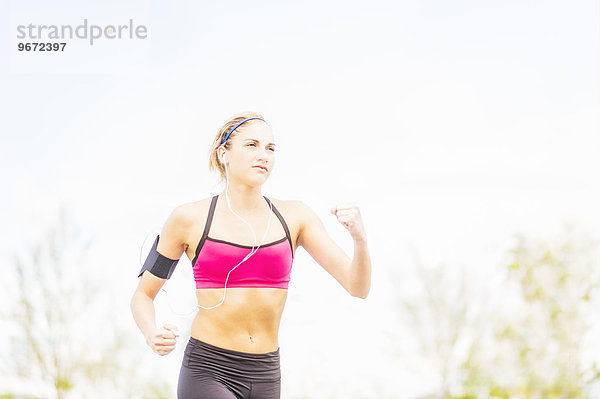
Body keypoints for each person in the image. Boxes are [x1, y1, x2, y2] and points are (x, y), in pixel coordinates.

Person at [130, 112, 372, 399]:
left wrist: (359, 238)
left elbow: (358, 287)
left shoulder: (295, 217)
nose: (263, 155)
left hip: (267, 373)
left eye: (270, 148)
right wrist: (151, 333)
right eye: (252, 145)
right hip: (209, 369)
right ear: (224, 154)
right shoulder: (189, 218)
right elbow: (143, 295)